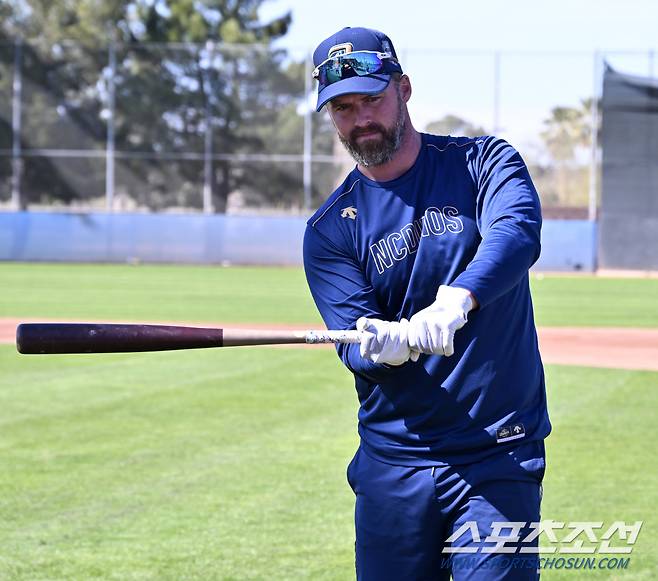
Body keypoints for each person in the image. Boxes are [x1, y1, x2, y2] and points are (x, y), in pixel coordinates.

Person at [303, 26, 551, 581]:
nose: (361, 118)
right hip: (394, 462)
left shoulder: (482, 163)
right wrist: (382, 350)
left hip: (497, 451)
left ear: (404, 89)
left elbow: (517, 233)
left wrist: (457, 301)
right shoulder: (328, 232)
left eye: (372, 98)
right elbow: (354, 344)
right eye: (343, 108)